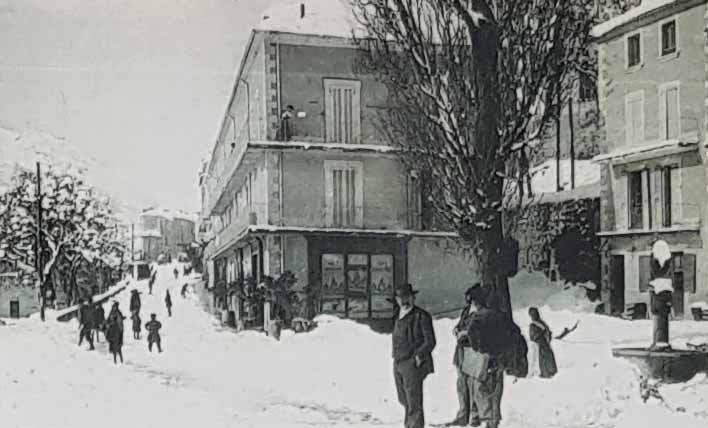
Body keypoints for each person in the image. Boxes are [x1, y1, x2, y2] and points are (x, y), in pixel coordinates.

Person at [462, 286, 517, 428]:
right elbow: (514, 333)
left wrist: (478, 348)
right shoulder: (501, 316)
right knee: (496, 391)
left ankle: (485, 419)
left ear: (476, 302)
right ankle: (493, 422)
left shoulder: (477, 317)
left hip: (483, 360)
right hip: (499, 358)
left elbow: (471, 336)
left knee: (481, 390)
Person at [392, 283, 436, 428]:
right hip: (398, 362)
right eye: (400, 298)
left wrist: (418, 357)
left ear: (413, 297)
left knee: (414, 402)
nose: (404, 301)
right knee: (403, 399)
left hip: (411, 363)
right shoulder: (397, 314)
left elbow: (430, 341)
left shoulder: (421, 316)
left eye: (407, 297)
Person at [446, 285, 483, 427]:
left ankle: (475, 416)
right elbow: (460, 324)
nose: (469, 301)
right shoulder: (466, 311)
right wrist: (456, 329)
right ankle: (463, 415)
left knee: (474, 385)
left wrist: (466, 333)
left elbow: (479, 331)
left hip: (473, 352)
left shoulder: (481, 312)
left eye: (471, 298)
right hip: (461, 351)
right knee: (461, 384)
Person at [528, 307, 558, 379]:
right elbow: (533, 336)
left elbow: (533, 336)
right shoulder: (538, 323)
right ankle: (548, 372)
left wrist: (544, 335)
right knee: (546, 356)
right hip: (543, 343)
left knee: (545, 357)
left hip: (543, 343)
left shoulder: (537, 324)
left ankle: (547, 373)